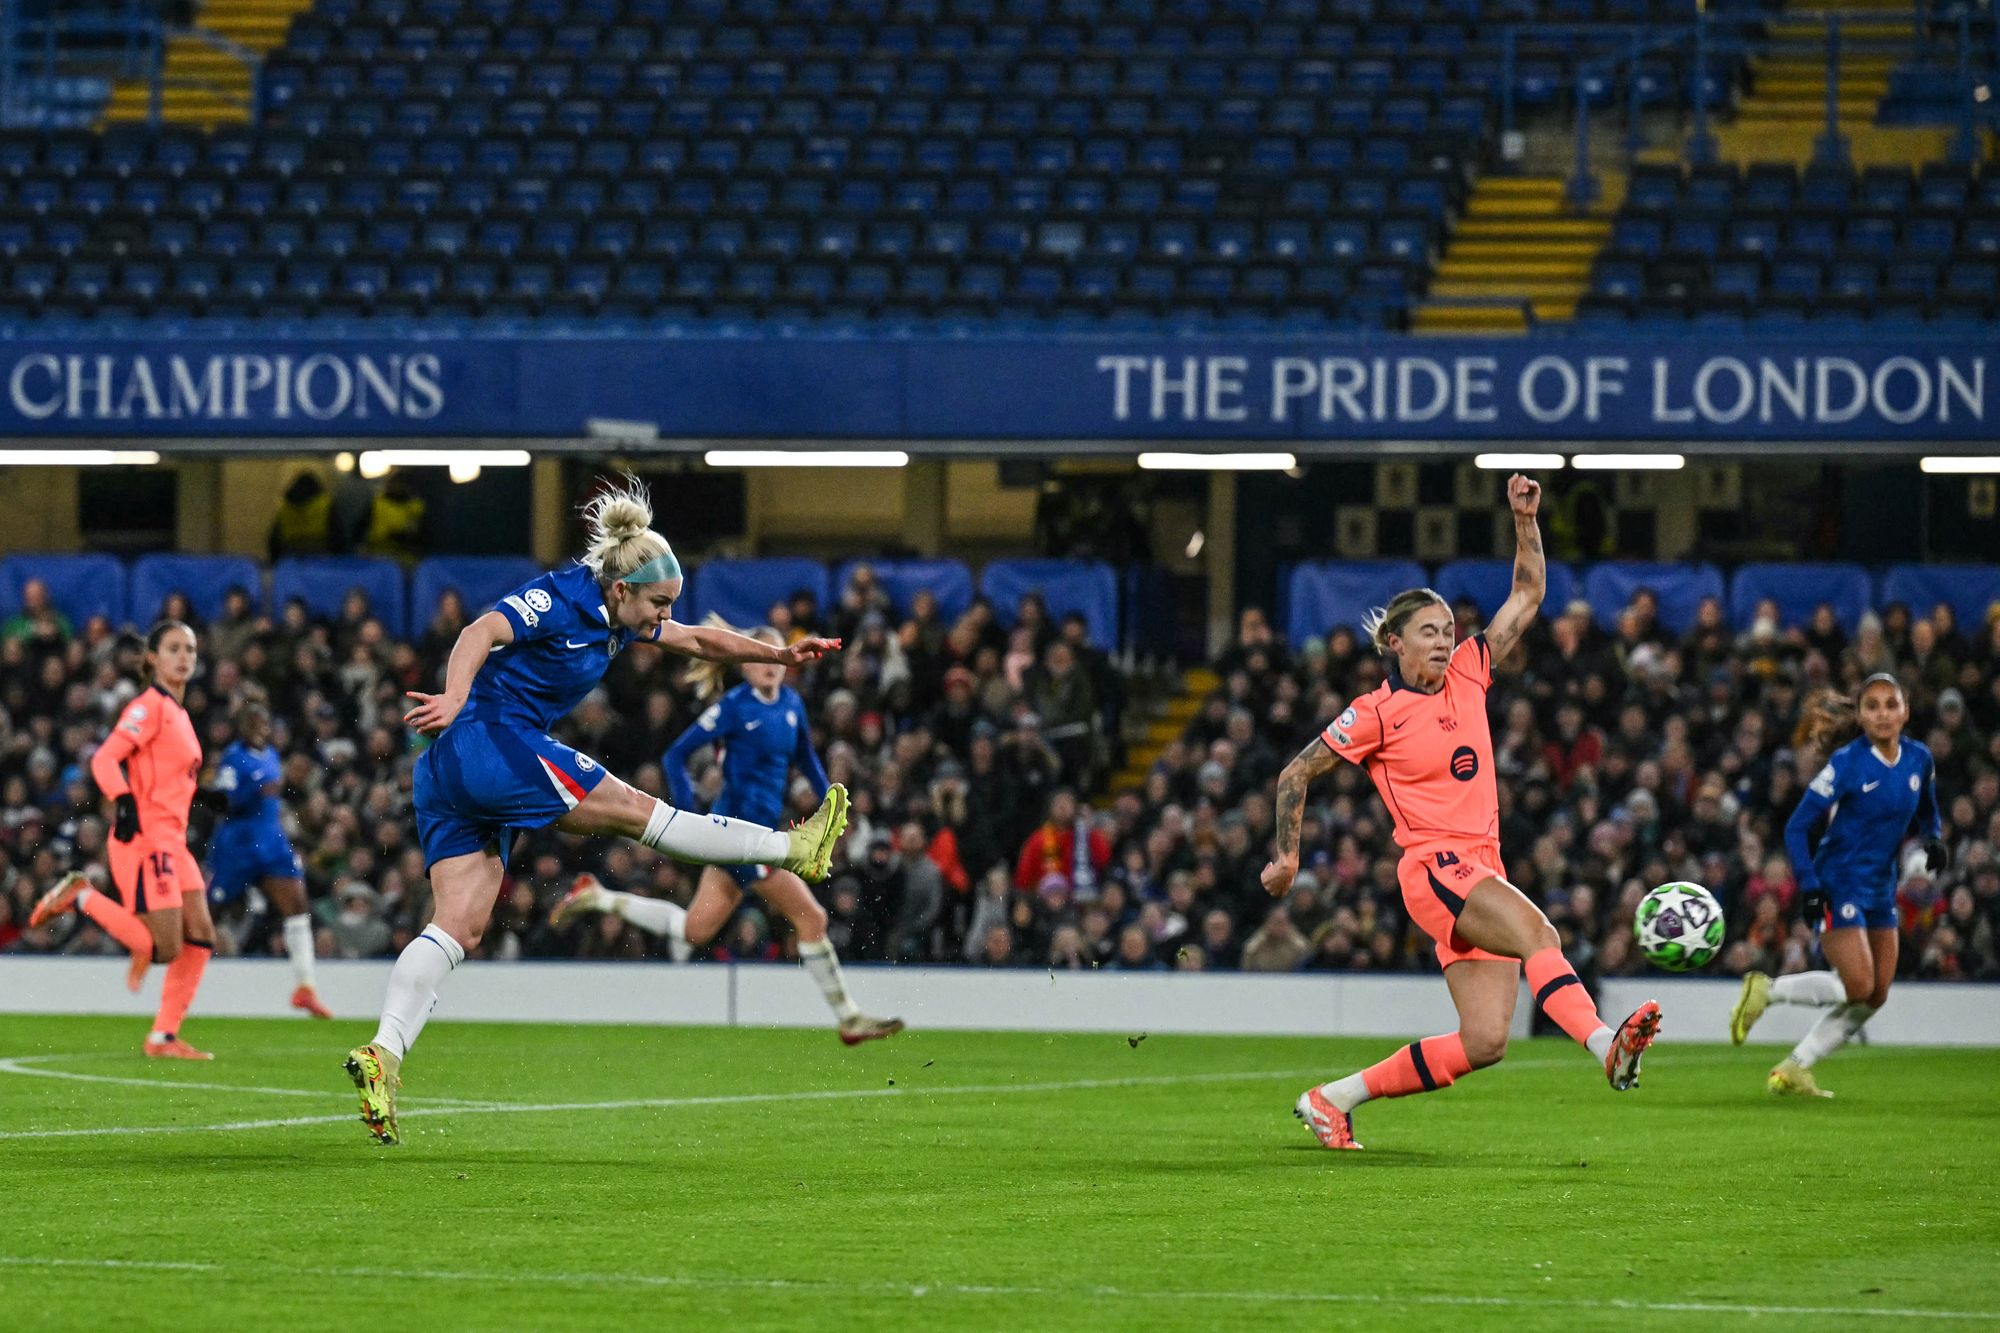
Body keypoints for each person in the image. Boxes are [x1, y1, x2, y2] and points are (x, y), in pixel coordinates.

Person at [344, 478, 852, 1144]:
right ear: (620, 590)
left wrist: (778, 653)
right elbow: (480, 629)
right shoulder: (561, 598)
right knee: (639, 812)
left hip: (454, 771)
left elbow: (700, 642)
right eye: (658, 603)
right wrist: (455, 695)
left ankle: (383, 1052)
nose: (663, 616)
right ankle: (791, 848)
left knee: (460, 926)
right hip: (488, 741)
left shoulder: (621, 614)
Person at [1262, 475, 1660, 1151]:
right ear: (1395, 642)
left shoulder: (1472, 669)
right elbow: (1295, 770)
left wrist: (1524, 521)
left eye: (1449, 630)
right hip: (1435, 866)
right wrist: (1288, 855)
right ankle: (1605, 1046)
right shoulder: (1376, 712)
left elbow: (1528, 595)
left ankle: (1332, 1099)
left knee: (1484, 1041)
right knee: (1540, 933)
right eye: (1429, 632)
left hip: (1480, 866)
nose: (1445, 641)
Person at [549, 618, 902, 1046]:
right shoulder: (734, 707)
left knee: (695, 931)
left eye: (775, 659)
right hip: (736, 836)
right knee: (812, 917)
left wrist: (831, 800)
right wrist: (688, 816)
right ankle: (849, 1017)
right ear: (746, 664)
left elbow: (806, 756)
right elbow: (676, 755)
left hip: (759, 836)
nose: (769, 667)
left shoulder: (791, 705)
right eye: (761, 658)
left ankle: (599, 896)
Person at [1732, 675, 1946, 1096]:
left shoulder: (1919, 758)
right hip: (1838, 881)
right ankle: (1767, 990)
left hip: (1880, 886)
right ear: (1861, 716)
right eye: (1872, 706)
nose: (1882, 714)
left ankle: (1795, 1067)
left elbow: (1928, 807)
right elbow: (1796, 827)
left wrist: (1933, 837)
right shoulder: (1847, 763)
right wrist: (1810, 885)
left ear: (1905, 711)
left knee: (1876, 995)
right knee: (1858, 986)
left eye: (1891, 704)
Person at [29, 622, 217, 1058]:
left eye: (190, 649)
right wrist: (123, 798)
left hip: (173, 839)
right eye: (173, 649)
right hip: (146, 838)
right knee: (163, 948)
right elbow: (105, 758)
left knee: (201, 935)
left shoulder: (179, 713)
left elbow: (167, 773)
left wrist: (201, 795)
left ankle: (163, 1036)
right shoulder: (148, 706)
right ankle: (80, 895)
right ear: (152, 658)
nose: (184, 657)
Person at [204, 700, 331, 1019]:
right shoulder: (234, 757)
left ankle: (305, 987)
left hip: (271, 843)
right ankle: (178, 974)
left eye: (264, 723)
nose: (260, 729)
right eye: (254, 723)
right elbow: (222, 803)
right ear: (243, 727)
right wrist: (254, 790)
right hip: (238, 846)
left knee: (298, 907)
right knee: (208, 915)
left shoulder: (272, 755)